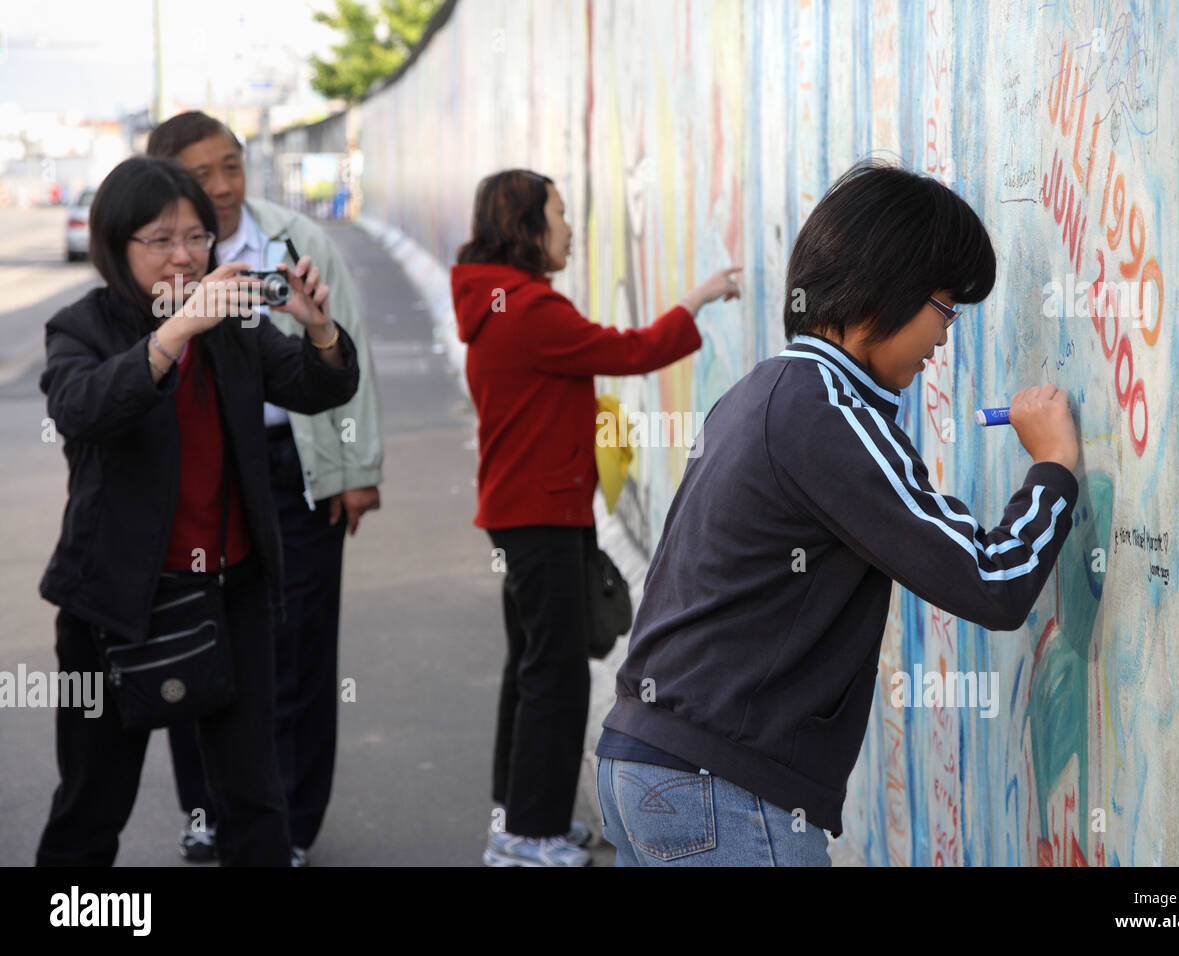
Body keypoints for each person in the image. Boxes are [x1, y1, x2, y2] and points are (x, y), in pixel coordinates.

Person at [595, 160, 1082, 866]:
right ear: (887, 291)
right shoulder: (829, 415)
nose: (945, 340)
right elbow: (992, 579)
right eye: (945, 309)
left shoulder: (767, 390)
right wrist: (1053, 469)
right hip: (717, 789)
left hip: (651, 764)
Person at [34, 155, 359, 866]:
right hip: (114, 607)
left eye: (197, 238)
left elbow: (317, 388)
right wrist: (175, 331)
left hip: (228, 597)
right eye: (160, 239)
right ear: (116, 246)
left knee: (254, 798)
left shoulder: (235, 327)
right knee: (92, 804)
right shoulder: (81, 327)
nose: (183, 256)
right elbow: (82, 408)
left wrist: (320, 330)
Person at [450, 168, 741, 866]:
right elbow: (629, 350)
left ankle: (519, 820)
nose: (570, 227)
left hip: (529, 511)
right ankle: (529, 834)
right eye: (560, 212)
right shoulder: (530, 310)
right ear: (527, 226)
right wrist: (697, 300)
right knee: (555, 675)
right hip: (541, 516)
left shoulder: (498, 302)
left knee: (533, 667)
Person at [146, 112, 383, 866]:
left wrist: (356, 470)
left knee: (301, 651)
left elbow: (348, 351)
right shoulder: (160, 257)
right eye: (200, 172)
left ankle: (293, 823)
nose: (220, 187)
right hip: (200, 478)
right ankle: (209, 812)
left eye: (231, 167)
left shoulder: (295, 242)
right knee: (194, 646)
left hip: (298, 465)